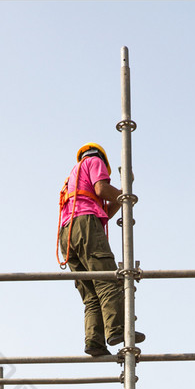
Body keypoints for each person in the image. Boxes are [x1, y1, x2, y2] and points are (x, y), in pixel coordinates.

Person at [57, 142, 145, 357]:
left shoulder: (73, 177)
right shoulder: (94, 162)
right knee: (107, 279)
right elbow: (101, 189)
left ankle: (94, 341)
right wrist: (122, 193)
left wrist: (123, 195)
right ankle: (117, 329)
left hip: (68, 233)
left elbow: (105, 209)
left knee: (91, 294)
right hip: (85, 225)